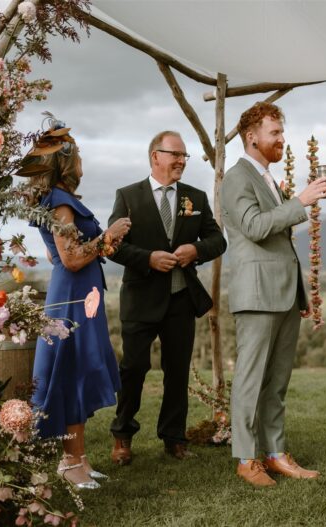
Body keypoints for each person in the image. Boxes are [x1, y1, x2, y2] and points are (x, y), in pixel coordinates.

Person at [220, 102, 326, 487]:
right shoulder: (237, 178)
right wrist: (300, 202)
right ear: (252, 137)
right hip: (256, 295)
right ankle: (246, 458)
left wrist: (298, 292)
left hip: (282, 293)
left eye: (282, 132)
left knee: (277, 382)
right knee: (251, 380)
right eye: (275, 133)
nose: (282, 139)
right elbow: (253, 227)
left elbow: (278, 238)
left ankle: (275, 453)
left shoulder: (267, 178)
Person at [107, 131, 226, 463]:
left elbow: (218, 241)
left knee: (177, 371)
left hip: (180, 299)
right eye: (176, 154)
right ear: (155, 156)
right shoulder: (128, 196)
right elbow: (113, 246)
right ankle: (122, 436)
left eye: (184, 156)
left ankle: (174, 438)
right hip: (141, 300)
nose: (181, 161)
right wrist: (148, 259)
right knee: (133, 369)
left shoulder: (196, 198)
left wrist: (196, 250)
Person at [26, 122, 132, 489]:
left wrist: (104, 245)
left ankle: (80, 459)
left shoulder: (59, 201)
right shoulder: (60, 202)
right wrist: (108, 236)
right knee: (71, 374)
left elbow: (55, 254)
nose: (82, 159)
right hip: (72, 298)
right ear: (65, 161)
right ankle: (69, 462)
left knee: (80, 372)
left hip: (80, 295)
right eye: (78, 153)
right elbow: (70, 258)